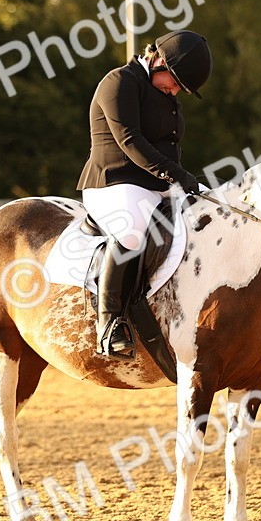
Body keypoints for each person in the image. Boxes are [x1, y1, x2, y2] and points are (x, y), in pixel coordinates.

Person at [76, 30, 213, 360]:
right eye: (176, 82)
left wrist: (182, 182)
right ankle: (109, 325)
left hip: (156, 185)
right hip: (113, 183)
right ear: (159, 61)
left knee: (211, 212)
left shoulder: (161, 90)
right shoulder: (119, 82)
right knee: (132, 231)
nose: (176, 90)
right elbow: (131, 141)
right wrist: (176, 174)